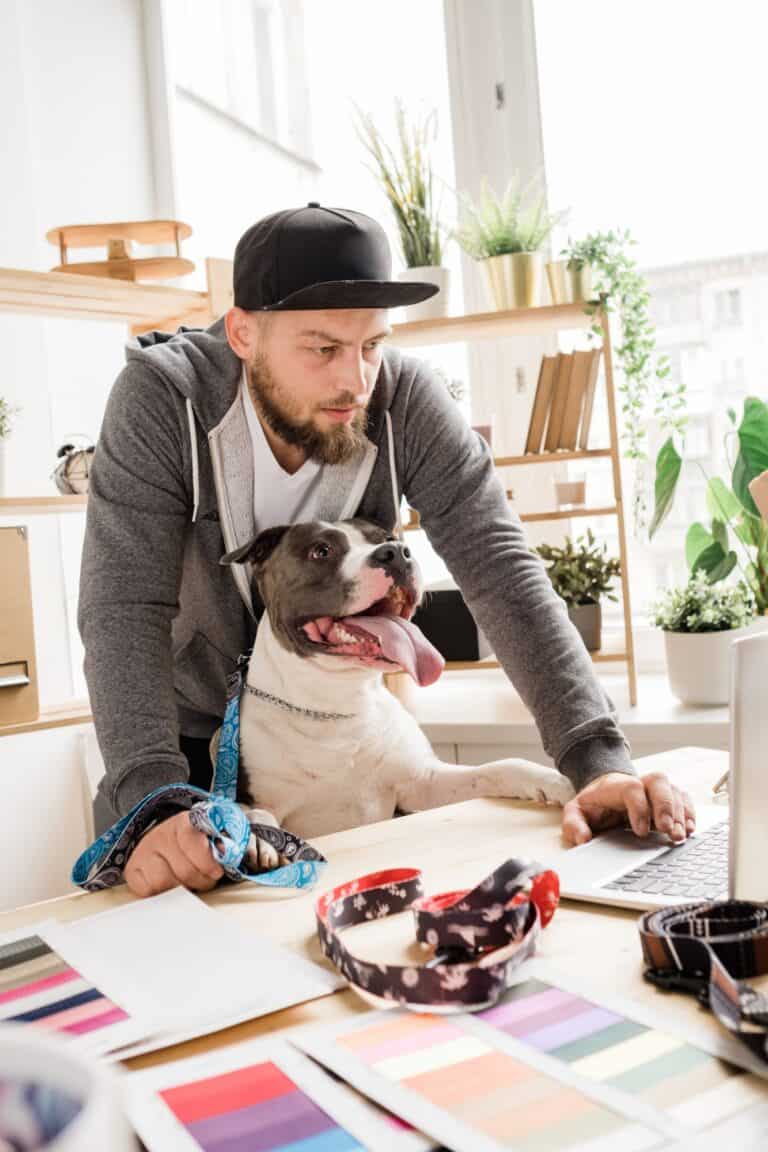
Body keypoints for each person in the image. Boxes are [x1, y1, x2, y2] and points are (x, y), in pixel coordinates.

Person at [79, 203, 695, 897]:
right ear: (243, 333)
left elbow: (502, 569)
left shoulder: (407, 401)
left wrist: (598, 760)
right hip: (180, 748)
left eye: (371, 345)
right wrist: (152, 796)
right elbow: (122, 609)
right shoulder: (163, 399)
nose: (355, 380)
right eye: (322, 349)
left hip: (340, 746)